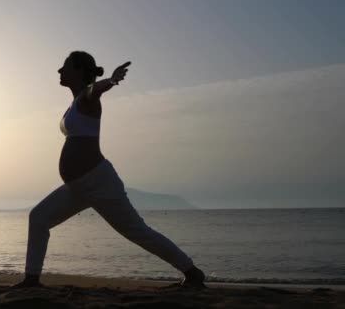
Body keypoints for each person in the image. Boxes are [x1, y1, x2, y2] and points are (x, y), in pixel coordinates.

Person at [14, 51, 205, 288]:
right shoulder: (74, 103)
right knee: (39, 218)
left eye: (65, 67)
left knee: (137, 231)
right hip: (77, 186)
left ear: (80, 72)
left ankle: (192, 272)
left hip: (98, 182)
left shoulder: (87, 97)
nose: (59, 71)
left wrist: (111, 81)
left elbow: (96, 90)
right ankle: (32, 279)